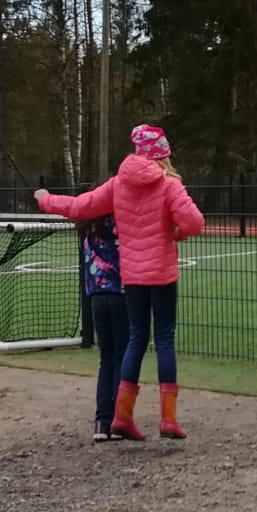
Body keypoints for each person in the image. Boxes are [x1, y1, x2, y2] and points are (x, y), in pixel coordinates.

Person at [35, 124, 205, 440]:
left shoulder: (118, 185)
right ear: (163, 155)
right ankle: (168, 418)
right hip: (162, 273)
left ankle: (122, 416)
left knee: (136, 338)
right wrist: (175, 232)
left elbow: (79, 207)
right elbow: (194, 222)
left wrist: (45, 199)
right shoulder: (169, 185)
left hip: (132, 276)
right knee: (164, 338)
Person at [77, 215, 129, 442]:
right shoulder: (119, 225)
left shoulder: (88, 228)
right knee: (121, 356)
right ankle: (118, 419)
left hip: (96, 297)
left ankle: (101, 421)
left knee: (106, 358)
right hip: (119, 294)